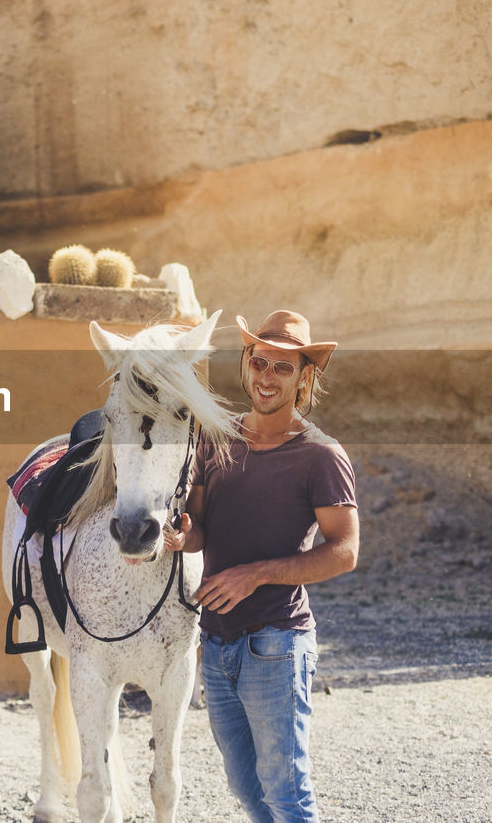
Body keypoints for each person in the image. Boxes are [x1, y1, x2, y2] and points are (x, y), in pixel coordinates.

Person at [166, 310, 359, 823]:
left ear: (304, 377)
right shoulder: (216, 437)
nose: (266, 378)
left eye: (282, 368)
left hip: (276, 643)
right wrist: (185, 537)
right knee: (245, 786)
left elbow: (345, 550)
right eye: (259, 363)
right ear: (246, 364)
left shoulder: (320, 455)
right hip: (217, 640)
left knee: (287, 793)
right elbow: (202, 527)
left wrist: (256, 573)